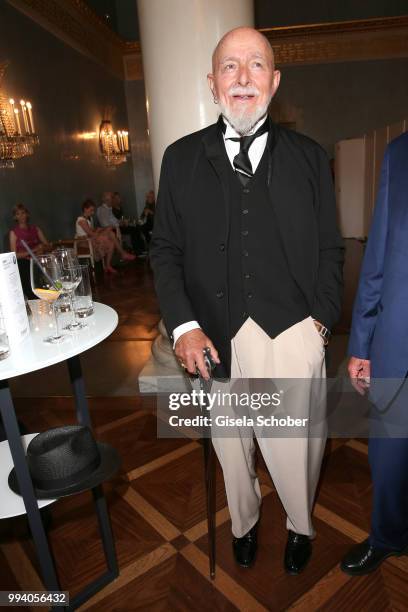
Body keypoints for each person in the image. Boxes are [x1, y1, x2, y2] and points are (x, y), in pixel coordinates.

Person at [150, 27, 344, 574]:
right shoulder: (181, 158)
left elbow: (332, 246)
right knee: (231, 450)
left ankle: (300, 524)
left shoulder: (309, 157)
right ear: (212, 84)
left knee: (297, 447)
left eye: (255, 65)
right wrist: (183, 326)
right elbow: (164, 249)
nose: (242, 77)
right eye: (229, 67)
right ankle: (246, 522)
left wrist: (321, 326)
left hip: (292, 332)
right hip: (213, 333)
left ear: (274, 81)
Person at [341, 133, 408, 575]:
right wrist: (361, 343)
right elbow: (379, 255)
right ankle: (388, 536)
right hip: (397, 343)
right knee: (388, 456)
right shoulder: (400, 153)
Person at [75, 199, 135, 275]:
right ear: (85, 209)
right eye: (91, 210)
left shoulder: (89, 219)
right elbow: (91, 234)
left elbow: (93, 231)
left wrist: (103, 229)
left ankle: (109, 265)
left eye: (93, 210)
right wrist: (103, 230)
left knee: (111, 240)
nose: (93, 212)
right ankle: (122, 254)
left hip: (91, 240)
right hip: (84, 242)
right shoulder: (81, 220)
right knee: (109, 233)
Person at [9, 203, 51, 298]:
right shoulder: (14, 232)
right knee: (25, 268)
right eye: (18, 214)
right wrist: (33, 250)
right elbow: (14, 256)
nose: (21, 216)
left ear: (27, 214)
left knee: (47, 270)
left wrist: (42, 248)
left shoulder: (35, 229)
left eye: (23, 213)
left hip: (38, 261)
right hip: (24, 263)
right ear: (15, 217)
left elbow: (48, 246)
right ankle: (33, 297)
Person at [97, 192, 145, 257]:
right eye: (112, 198)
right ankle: (137, 251)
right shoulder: (102, 210)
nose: (113, 200)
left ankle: (141, 249)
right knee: (133, 229)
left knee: (135, 227)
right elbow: (105, 225)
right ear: (107, 200)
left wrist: (121, 222)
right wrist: (118, 225)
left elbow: (114, 220)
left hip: (115, 228)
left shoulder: (109, 208)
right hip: (110, 230)